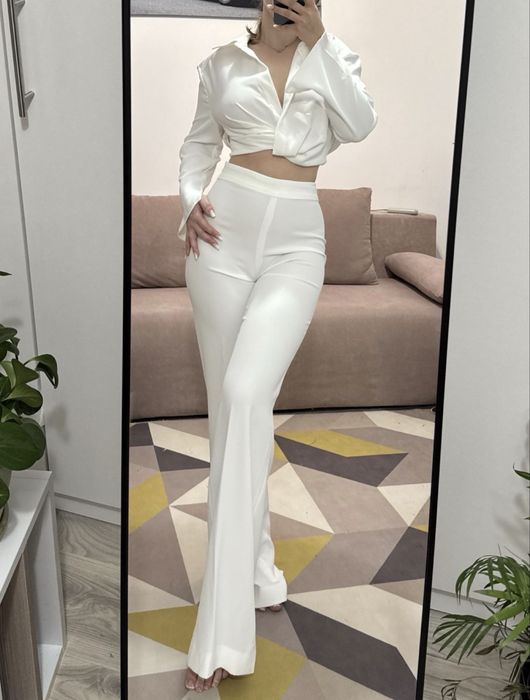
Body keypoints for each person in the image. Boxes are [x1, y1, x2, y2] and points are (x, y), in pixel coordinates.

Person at [177, 0, 378, 692]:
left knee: (245, 393)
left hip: (297, 242)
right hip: (221, 241)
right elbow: (199, 145)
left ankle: (222, 634)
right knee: (232, 416)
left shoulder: (333, 56)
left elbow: (360, 123)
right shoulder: (222, 63)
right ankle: (258, 572)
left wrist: (322, 42)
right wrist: (188, 198)